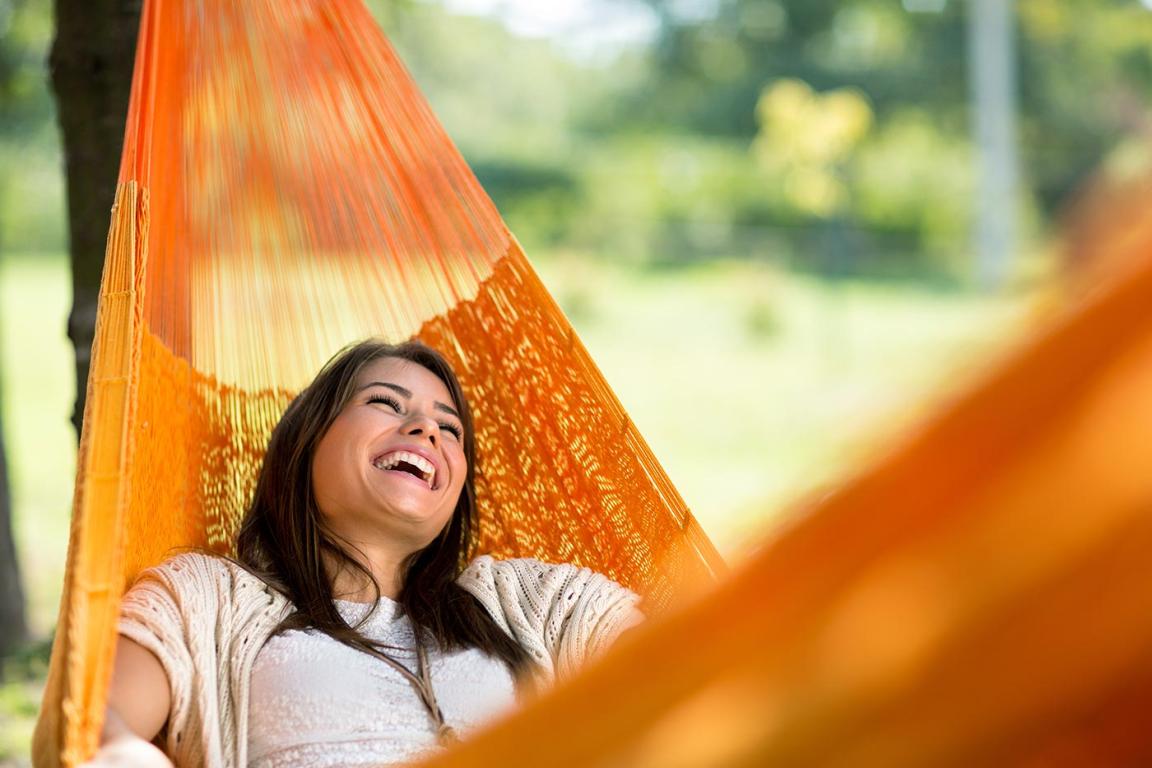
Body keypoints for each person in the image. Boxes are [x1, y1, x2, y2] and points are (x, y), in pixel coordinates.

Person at [86, 339, 644, 767]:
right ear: (307, 441)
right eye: (385, 402)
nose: (427, 428)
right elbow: (94, 722)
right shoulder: (209, 598)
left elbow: (686, 660)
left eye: (450, 430)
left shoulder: (531, 603)